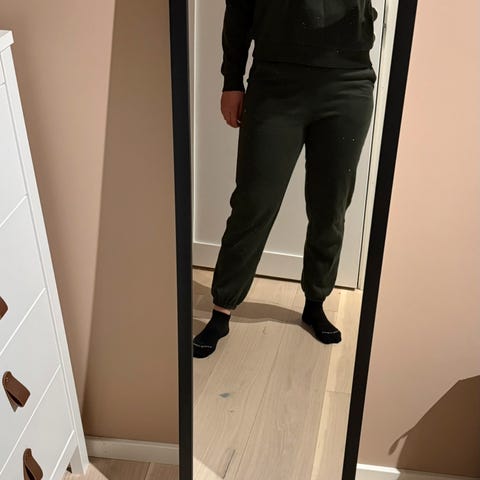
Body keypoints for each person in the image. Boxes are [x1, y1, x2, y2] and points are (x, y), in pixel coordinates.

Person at [193, 0, 378, 358]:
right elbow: (238, 10)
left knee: (331, 205)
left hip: (348, 81)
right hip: (275, 81)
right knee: (253, 202)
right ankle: (222, 309)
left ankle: (315, 301)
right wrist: (232, 80)